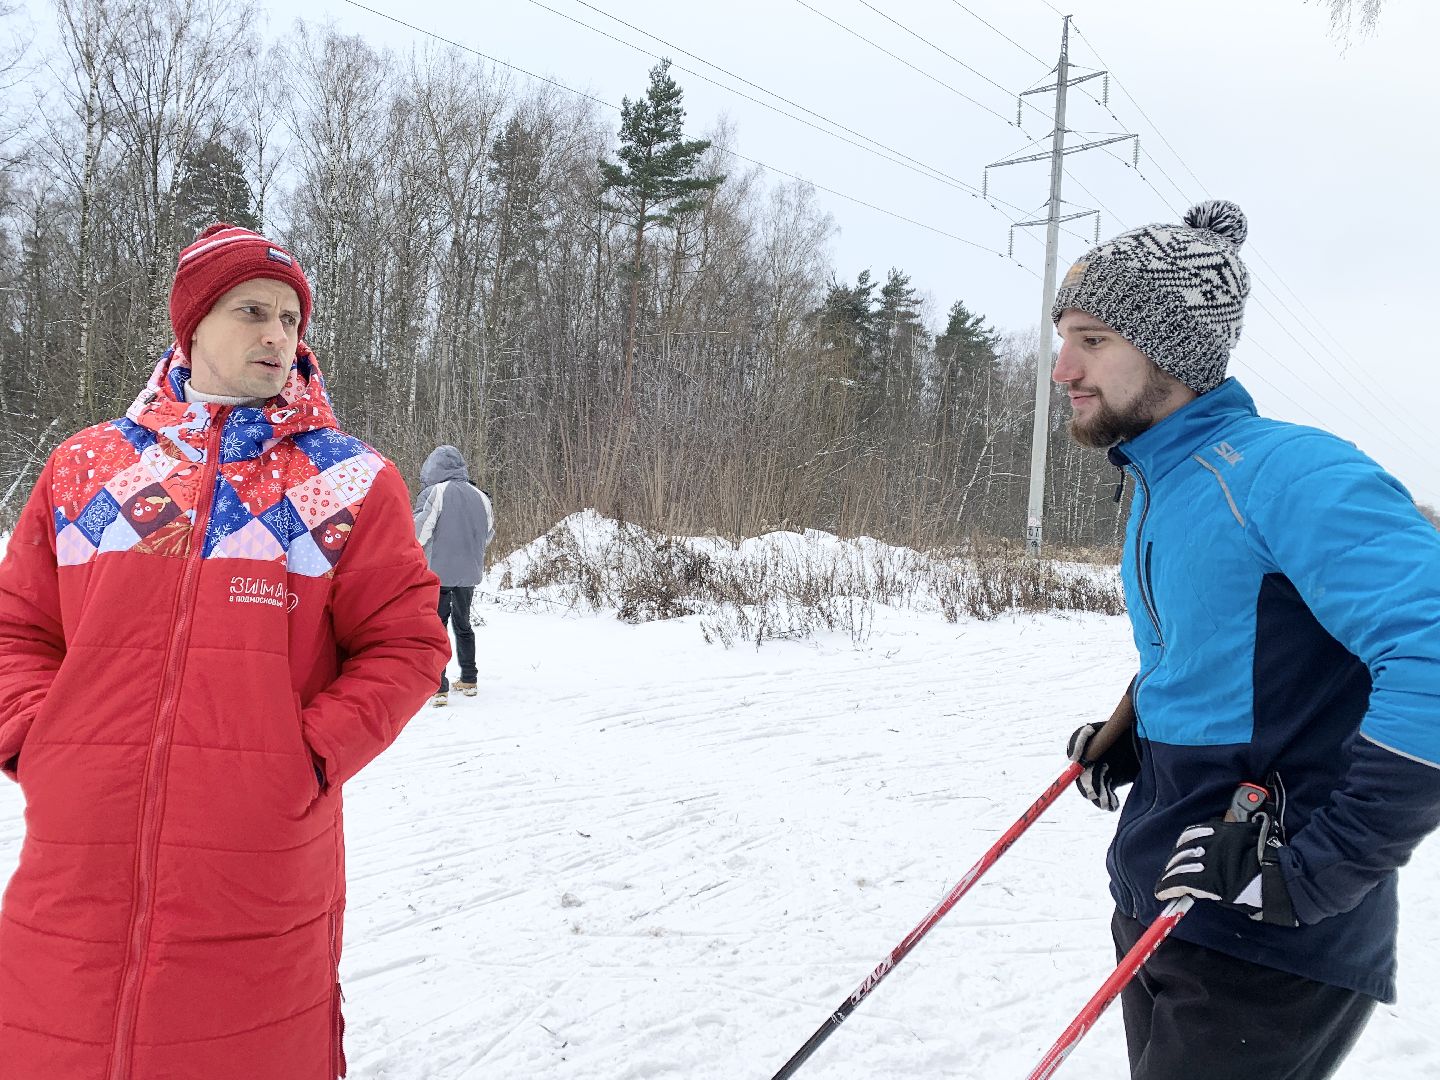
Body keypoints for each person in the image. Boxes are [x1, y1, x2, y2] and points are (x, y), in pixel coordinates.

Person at [0, 222, 450, 1079]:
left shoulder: (347, 480)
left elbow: (405, 642)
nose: (278, 335)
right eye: (252, 311)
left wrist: (304, 758)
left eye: (290, 317)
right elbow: (16, 627)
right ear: (193, 324)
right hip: (76, 864)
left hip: (258, 868)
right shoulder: (85, 469)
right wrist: (40, 739)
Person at [1052, 200, 1440, 1080]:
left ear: (1172, 350)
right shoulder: (1163, 481)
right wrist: (1139, 725)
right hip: (1166, 893)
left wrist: (1318, 871)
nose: (1061, 367)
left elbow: (1435, 651)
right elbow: (1225, 648)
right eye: (1063, 336)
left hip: (1271, 934)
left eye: (1093, 338)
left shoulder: (1289, 471)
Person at [413, 444, 494, 706]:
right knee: (463, 625)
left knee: (436, 627)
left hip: (437, 572)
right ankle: (469, 678)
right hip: (468, 572)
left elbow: (419, 532)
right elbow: (488, 533)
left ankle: (439, 686)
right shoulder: (480, 495)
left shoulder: (435, 492)